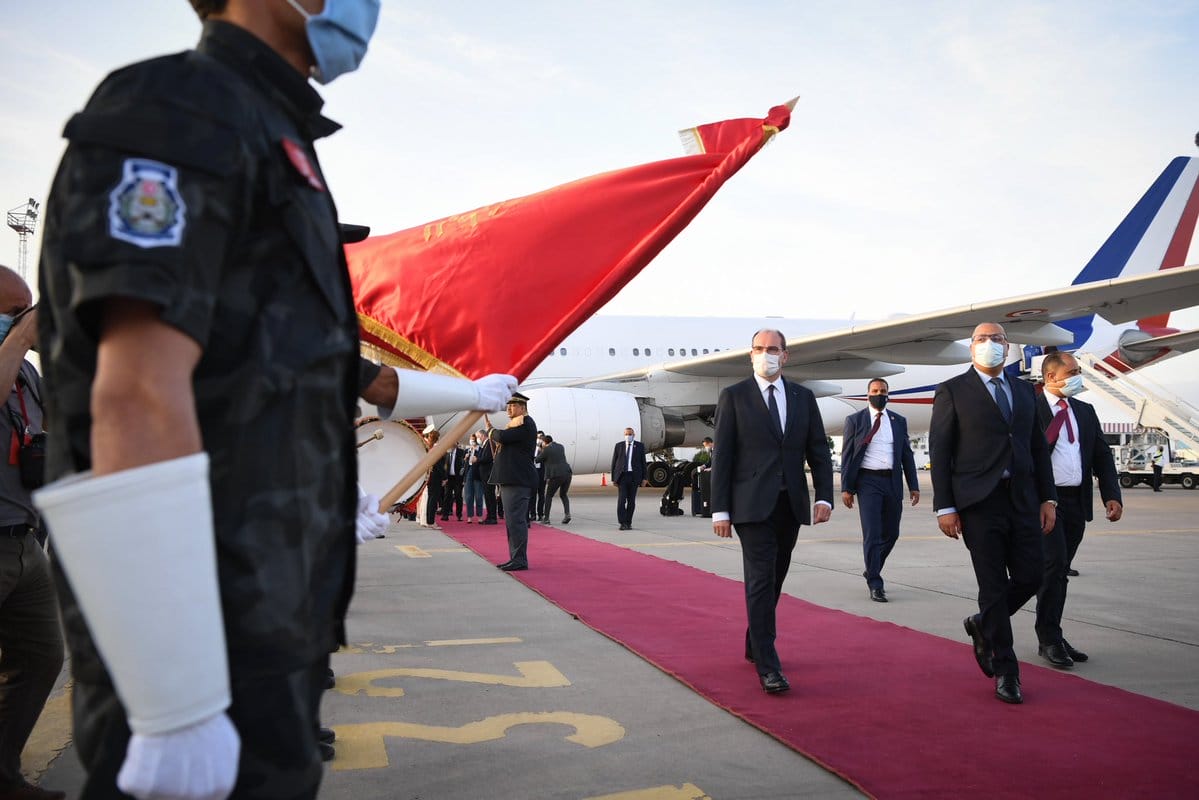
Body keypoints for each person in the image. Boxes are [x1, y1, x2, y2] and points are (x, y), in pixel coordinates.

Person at [30, 3, 509, 797]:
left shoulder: (275, 140)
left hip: (268, 619)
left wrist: (329, 509)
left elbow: (285, 394)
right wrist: (168, 703)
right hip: (202, 641)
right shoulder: (179, 108)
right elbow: (135, 397)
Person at [930, 322, 1057, 705]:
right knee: (991, 584)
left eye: (998, 339)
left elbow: (1038, 447)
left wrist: (1048, 498)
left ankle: (984, 623)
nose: (991, 345)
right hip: (978, 503)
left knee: (1033, 575)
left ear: (1008, 347)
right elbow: (940, 452)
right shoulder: (952, 390)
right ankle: (1007, 670)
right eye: (983, 340)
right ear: (971, 349)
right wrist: (945, 505)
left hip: (1022, 498)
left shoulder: (1023, 390)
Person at [710, 329, 834, 695]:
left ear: (786, 356)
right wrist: (720, 511)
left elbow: (818, 449)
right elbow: (723, 456)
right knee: (761, 577)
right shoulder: (734, 397)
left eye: (773, 349)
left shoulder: (802, 397)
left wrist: (823, 496)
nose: (767, 355)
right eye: (760, 349)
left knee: (776, 577)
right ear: (751, 355)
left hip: (790, 503)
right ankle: (768, 663)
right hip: (750, 505)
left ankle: (754, 640)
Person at [0, 267, 66, 800]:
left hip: (23, 540)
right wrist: (22, 336)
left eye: (28, 310)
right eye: (12, 310)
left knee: (41, 655)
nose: (24, 318)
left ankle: (2, 773)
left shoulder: (26, 374)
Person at [1032, 352, 1122, 668]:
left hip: (1075, 502)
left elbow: (1101, 455)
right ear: (1050, 377)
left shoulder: (1084, 411)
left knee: (1058, 571)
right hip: (1044, 502)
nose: (1078, 376)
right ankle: (1048, 638)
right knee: (1053, 567)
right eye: (1072, 371)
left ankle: (1051, 631)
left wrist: (1112, 495)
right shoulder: (1030, 409)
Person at [839, 378, 920, 602]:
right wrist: (847, 488)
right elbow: (847, 456)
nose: (879, 394)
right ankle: (875, 581)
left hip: (891, 481)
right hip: (868, 482)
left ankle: (871, 567)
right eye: (875, 391)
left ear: (888, 394)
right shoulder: (855, 420)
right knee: (873, 533)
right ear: (868, 395)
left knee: (892, 534)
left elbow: (906, 455)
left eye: (883, 391)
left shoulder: (898, 420)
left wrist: (913, 485)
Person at [489, 393, 538, 571]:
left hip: (518, 479)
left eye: (513, 405)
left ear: (523, 407)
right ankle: (515, 557)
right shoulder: (516, 424)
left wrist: (491, 431)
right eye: (508, 405)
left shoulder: (525, 423)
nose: (509, 408)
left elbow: (502, 437)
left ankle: (519, 559)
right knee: (512, 521)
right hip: (512, 479)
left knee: (516, 521)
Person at [611, 427, 647, 530]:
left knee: (631, 501)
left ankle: (628, 522)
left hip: (634, 477)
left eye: (630, 434)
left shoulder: (639, 446)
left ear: (634, 435)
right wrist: (614, 478)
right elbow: (614, 462)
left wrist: (644, 478)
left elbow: (643, 463)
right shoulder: (619, 446)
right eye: (626, 434)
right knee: (621, 501)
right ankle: (622, 522)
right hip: (622, 477)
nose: (628, 436)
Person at [537, 434, 572, 524]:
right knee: (563, 494)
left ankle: (546, 518)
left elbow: (538, 459)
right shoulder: (561, 447)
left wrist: (541, 450)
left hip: (556, 475)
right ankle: (567, 514)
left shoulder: (546, 450)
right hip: (567, 473)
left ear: (545, 442)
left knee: (548, 495)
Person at [474, 428, 498, 525]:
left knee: (490, 496)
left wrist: (477, 459)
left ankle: (492, 517)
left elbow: (487, 458)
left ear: (483, 435)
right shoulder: (485, 444)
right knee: (487, 496)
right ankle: (490, 516)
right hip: (484, 474)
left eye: (478, 437)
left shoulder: (490, 444)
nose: (477, 439)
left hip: (488, 474)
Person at [440, 439, 466, 522]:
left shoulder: (461, 452)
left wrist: (463, 479)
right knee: (447, 496)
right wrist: (444, 478)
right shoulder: (447, 453)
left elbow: (464, 466)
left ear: (456, 443)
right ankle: (445, 514)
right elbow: (444, 467)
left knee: (458, 496)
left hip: (458, 478)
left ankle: (459, 515)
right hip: (449, 478)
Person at [462, 433, 485, 523]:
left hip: (478, 475)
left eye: (473, 440)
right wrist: (465, 459)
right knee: (468, 496)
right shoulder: (467, 450)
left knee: (479, 496)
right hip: (468, 474)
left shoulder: (481, 450)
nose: (472, 441)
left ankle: (479, 516)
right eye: (471, 440)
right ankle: (469, 516)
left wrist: (477, 458)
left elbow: (483, 461)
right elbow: (463, 464)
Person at [533, 431, 548, 522]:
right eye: (538, 438)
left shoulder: (545, 450)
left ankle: (541, 513)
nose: (539, 440)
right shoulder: (532, 448)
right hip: (534, 473)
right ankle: (532, 513)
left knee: (541, 495)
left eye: (541, 438)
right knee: (532, 495)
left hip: (542, 474)